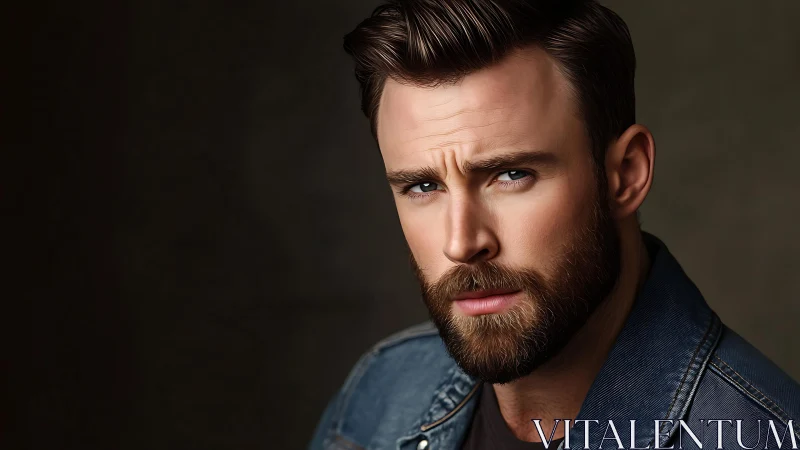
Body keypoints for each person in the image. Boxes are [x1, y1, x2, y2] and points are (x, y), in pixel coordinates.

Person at [309, 1, 800, 449]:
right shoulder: (380, 394)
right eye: (422, 187)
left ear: (626, 174)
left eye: (511, 175)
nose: (461, 242)